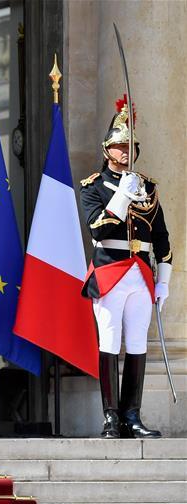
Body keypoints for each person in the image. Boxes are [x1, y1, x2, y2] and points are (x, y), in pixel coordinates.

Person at [80, 98, 171, 439]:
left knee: (136, 343)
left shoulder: (149, 187)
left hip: (141, 275)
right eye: (118, 146)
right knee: (110, 341)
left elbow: (162, 237)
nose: (124, 152)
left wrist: (164, 281)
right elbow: (97, 229)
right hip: (110, 271)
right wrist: (121, 195)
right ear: (107, 151)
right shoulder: (93, 187)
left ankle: (132, 414)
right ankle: (110, 416)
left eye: (128, 146)